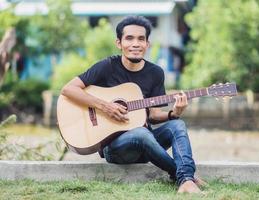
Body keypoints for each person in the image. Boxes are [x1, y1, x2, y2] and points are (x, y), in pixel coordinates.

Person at [61, 16, 205, 193]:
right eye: (129, 38)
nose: (135, 43)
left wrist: (173, 113)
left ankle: (185, 180)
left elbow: (152, 115)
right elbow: (69, 89)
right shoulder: (107, 66)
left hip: (149, 146)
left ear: (147, 44)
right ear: (119, 43)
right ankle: (185, 178)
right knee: (142, 133)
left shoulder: (156, 73)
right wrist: (104, 105)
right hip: (116, 149)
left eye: (141, 39)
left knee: (178, 125)